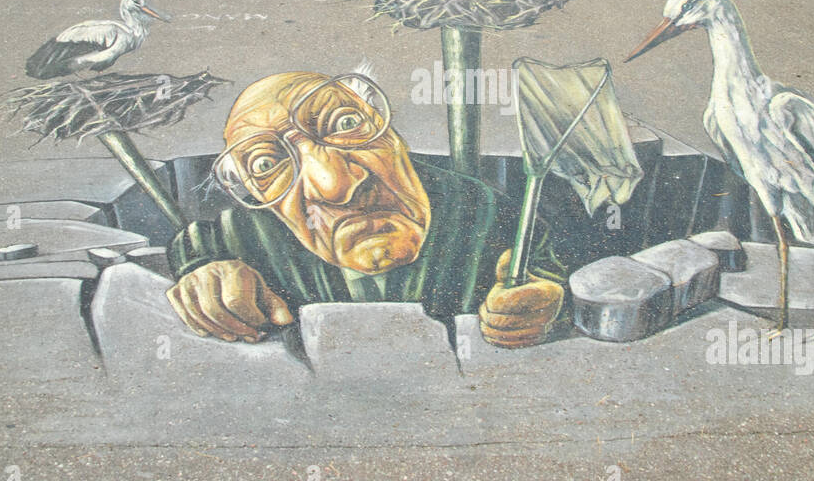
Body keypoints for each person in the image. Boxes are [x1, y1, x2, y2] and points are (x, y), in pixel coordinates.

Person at [164, 71, 566, 348]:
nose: (334, 185)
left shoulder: (490, 212)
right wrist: (205, 269)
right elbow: (200, 242)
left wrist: (543, 306)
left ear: (391, 135)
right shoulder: (248, 234)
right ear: (253, 194)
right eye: (267, 165)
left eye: (344, 123)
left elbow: (547, 274)